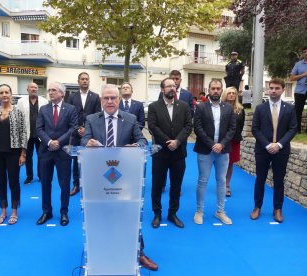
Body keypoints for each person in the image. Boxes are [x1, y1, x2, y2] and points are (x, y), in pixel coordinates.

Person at [81, 84, 157, 271]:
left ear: (118, 100)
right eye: (106, 98)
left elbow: (142, 140)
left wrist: (136, 146)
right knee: (101, 214)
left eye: (113, 98)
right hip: (98, 177)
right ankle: (100, 250)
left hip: (125, 177)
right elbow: (83, 141)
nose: (110, 101)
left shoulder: (130, 119)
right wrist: (87, 143)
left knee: (129, 214)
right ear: (101, 101)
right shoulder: (91, 119)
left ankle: (138, 252)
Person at [250, 79, 297, 223]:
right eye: (271, 88)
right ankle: (257, 207)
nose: (273, 90)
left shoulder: (289, 108)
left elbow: (293, 128)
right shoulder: (260, 108)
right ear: (268, 90)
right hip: (263, 150)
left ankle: (277, 209)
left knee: (279, 181)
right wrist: (267, 145)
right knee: (260, 179)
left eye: (277, 88)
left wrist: (280, 145)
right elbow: (255, 129)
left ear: (283, 90)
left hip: (281, 151)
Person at [148, 78, 192, 229]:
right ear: (162, 89)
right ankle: (157, 213)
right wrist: (168, 141)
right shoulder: (154, 106)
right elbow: (153, 126)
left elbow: (188, 126)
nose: (172, 88)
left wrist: (177, 142)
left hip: (178, 153)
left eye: (174, 86)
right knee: (157, 184)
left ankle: (172, 213)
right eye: (169, 86)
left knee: (176, 185)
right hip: (160, 153)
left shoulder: (184, 106)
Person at [193, 79, 236, 225]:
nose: (216, 91)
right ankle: (199, 211)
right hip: (205, 149)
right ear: (209, 90)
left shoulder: (228, 108)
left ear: (221, 90)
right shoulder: (201, 107)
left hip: (223, 151)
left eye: (218, 88)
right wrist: (212, 144)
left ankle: (220, 211)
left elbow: (232, 129)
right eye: (213, 88)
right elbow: (198, 128)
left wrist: (221, 144)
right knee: (202, 181)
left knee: (221, 181)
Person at [0, 84, 27, 225]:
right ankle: (3, 211)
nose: (4, 95)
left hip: (13, 153)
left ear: (11, 94)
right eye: (1, 92)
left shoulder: (18, 112)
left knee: (14, 182)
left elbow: (23, 133)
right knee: (0, 182)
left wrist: (23, 153)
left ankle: (14, 211)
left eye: (6, 92)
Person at [36, 82, 78, 227]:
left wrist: (58, 142)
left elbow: (73, 128)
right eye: (49, 90)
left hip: (63, 151)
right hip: (46, 151)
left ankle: (64, 212)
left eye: (54, 90)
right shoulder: (43, 109)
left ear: (62, 93)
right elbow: (39, 129)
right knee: (45, 183)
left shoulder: (71, 109)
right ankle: (46, 211)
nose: (50, 92)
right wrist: (49, 142)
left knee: (64, 183)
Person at [67, 72, 101, 196]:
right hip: (75, 134)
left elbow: (97, 115)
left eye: (87, 79)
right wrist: (77, 128)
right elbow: (70, 115)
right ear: (78, 81)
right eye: (82, 79)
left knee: (90, 160)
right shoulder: (72, 96)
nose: (85, 81)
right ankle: (76, 184)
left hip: (90, 134)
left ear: (89, 81)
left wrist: (87, 130)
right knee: (75, 160)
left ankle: (90, 184)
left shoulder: (96, 97)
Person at [17, 82, 49, 185]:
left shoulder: (44, 101)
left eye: (35, 87)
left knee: (41, 156)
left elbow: (48, 118)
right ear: (27, 89)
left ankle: (41, 175)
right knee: (28, 156)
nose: (34, 89)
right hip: (27, 133)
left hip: (41, 133)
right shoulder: (21, 102)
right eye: (31, 87)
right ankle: (29, 176)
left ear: (37, 89)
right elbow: (19, 117)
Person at [221, 86, 245, 197]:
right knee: (221, 163)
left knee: (230, 163)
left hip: (234, 141)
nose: (231, 95)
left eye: (233, 93)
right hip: (221, 140)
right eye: (229, 93)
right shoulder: (219, 107)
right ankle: (220, 184)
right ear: (225, 94)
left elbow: (241, 125)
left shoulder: (240, 109)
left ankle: (227, 185)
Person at [289, 46, 307, 134]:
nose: (306, 53)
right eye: (305, 51)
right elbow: (291, 78)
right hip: (300, 90)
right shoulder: (298, 64)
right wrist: (304, 74)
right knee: (298, 110)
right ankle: (297, 129)